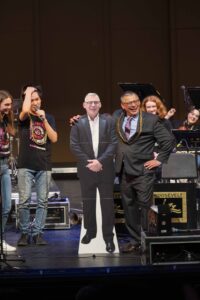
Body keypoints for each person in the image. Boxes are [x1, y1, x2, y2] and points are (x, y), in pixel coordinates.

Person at [114, 90, 175, 252]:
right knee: (129, 207)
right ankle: (135, 241)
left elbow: (168, 141)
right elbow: (99, 121)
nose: (133, 104)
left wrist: (159, 160)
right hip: (124, 171)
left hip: (143, 171)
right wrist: (78, 120)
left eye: (135, 101)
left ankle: (147, 241)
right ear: (123, 106)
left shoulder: (151, 120)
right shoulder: (117, 118)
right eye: (129, 103)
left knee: (145, 207)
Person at [70, 92, 118, 253]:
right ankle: (90, 233)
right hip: (86, 170)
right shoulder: (77, 122)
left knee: (107, 205)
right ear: (84, 105)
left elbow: (114, 143)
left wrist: (100, 161)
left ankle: (108, 238)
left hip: (105, 169)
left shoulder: (109, 121)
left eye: (95, 102)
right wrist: (90, 163)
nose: (92, 105)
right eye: (89, 102)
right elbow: (74, 146)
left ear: (100, 104)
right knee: (88, 204)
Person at [17, 85, 58, 246]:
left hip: (44, 164)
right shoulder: (25, 117)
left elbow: (54, 138)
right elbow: (25, 110)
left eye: (37, 99)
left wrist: (44, 120)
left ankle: (38, 233)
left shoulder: (49, 116)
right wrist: (28, 91)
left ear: (41, 100)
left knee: (42, 201)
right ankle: (25, 233)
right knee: (24, 200)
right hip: (25, 164)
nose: (35, 102)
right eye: (32, 99)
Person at [0, 90, 16, 252]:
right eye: (6, 104)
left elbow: (10, 136)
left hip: (4, 166)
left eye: (10, 105)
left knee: (6, 207)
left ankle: (0, 239)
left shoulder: (5, 121)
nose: (9, 108)